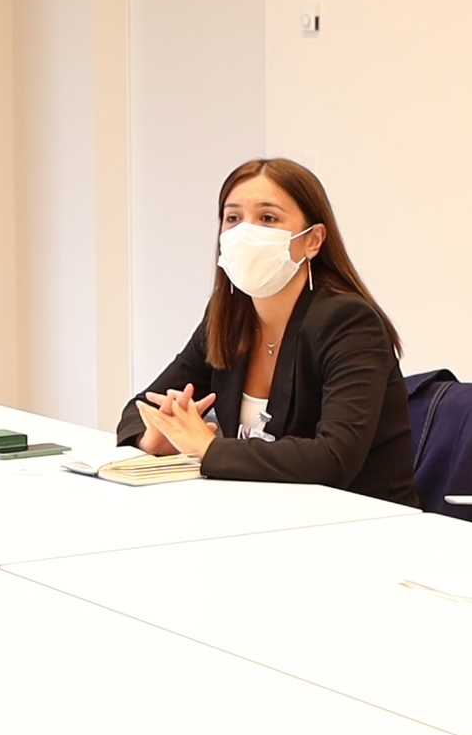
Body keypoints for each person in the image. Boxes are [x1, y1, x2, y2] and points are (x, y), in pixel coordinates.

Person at [119, 157, 419, 505]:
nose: (245, 232)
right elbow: (141, 408)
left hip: (363, 520)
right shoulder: (227, 317)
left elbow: (334, 458)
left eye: (268, 218)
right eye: (233, 218)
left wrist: (208, 448)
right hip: (262, 512)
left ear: (313, 240)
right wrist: (153, 438)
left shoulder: (349, 322)